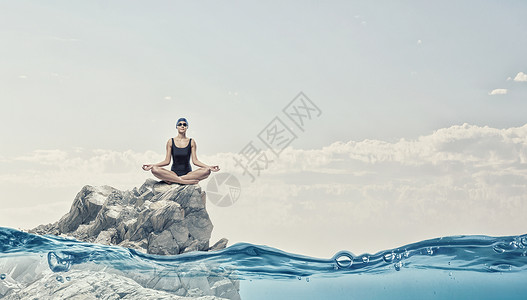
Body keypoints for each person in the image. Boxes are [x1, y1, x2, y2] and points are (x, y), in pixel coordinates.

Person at [142, 118, 220, 185]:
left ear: (187, 127)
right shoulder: (171, 141)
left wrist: (209, 167)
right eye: (180, 124)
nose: (182, 126)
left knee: (207, 171)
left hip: (189, 174)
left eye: (184, 124)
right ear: (176, 127)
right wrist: (152, 165)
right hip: (173, 173)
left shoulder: (191, 141)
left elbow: (195, 161)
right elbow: (167, 161)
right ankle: (183, 181)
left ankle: (174, 180)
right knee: (154, 169)